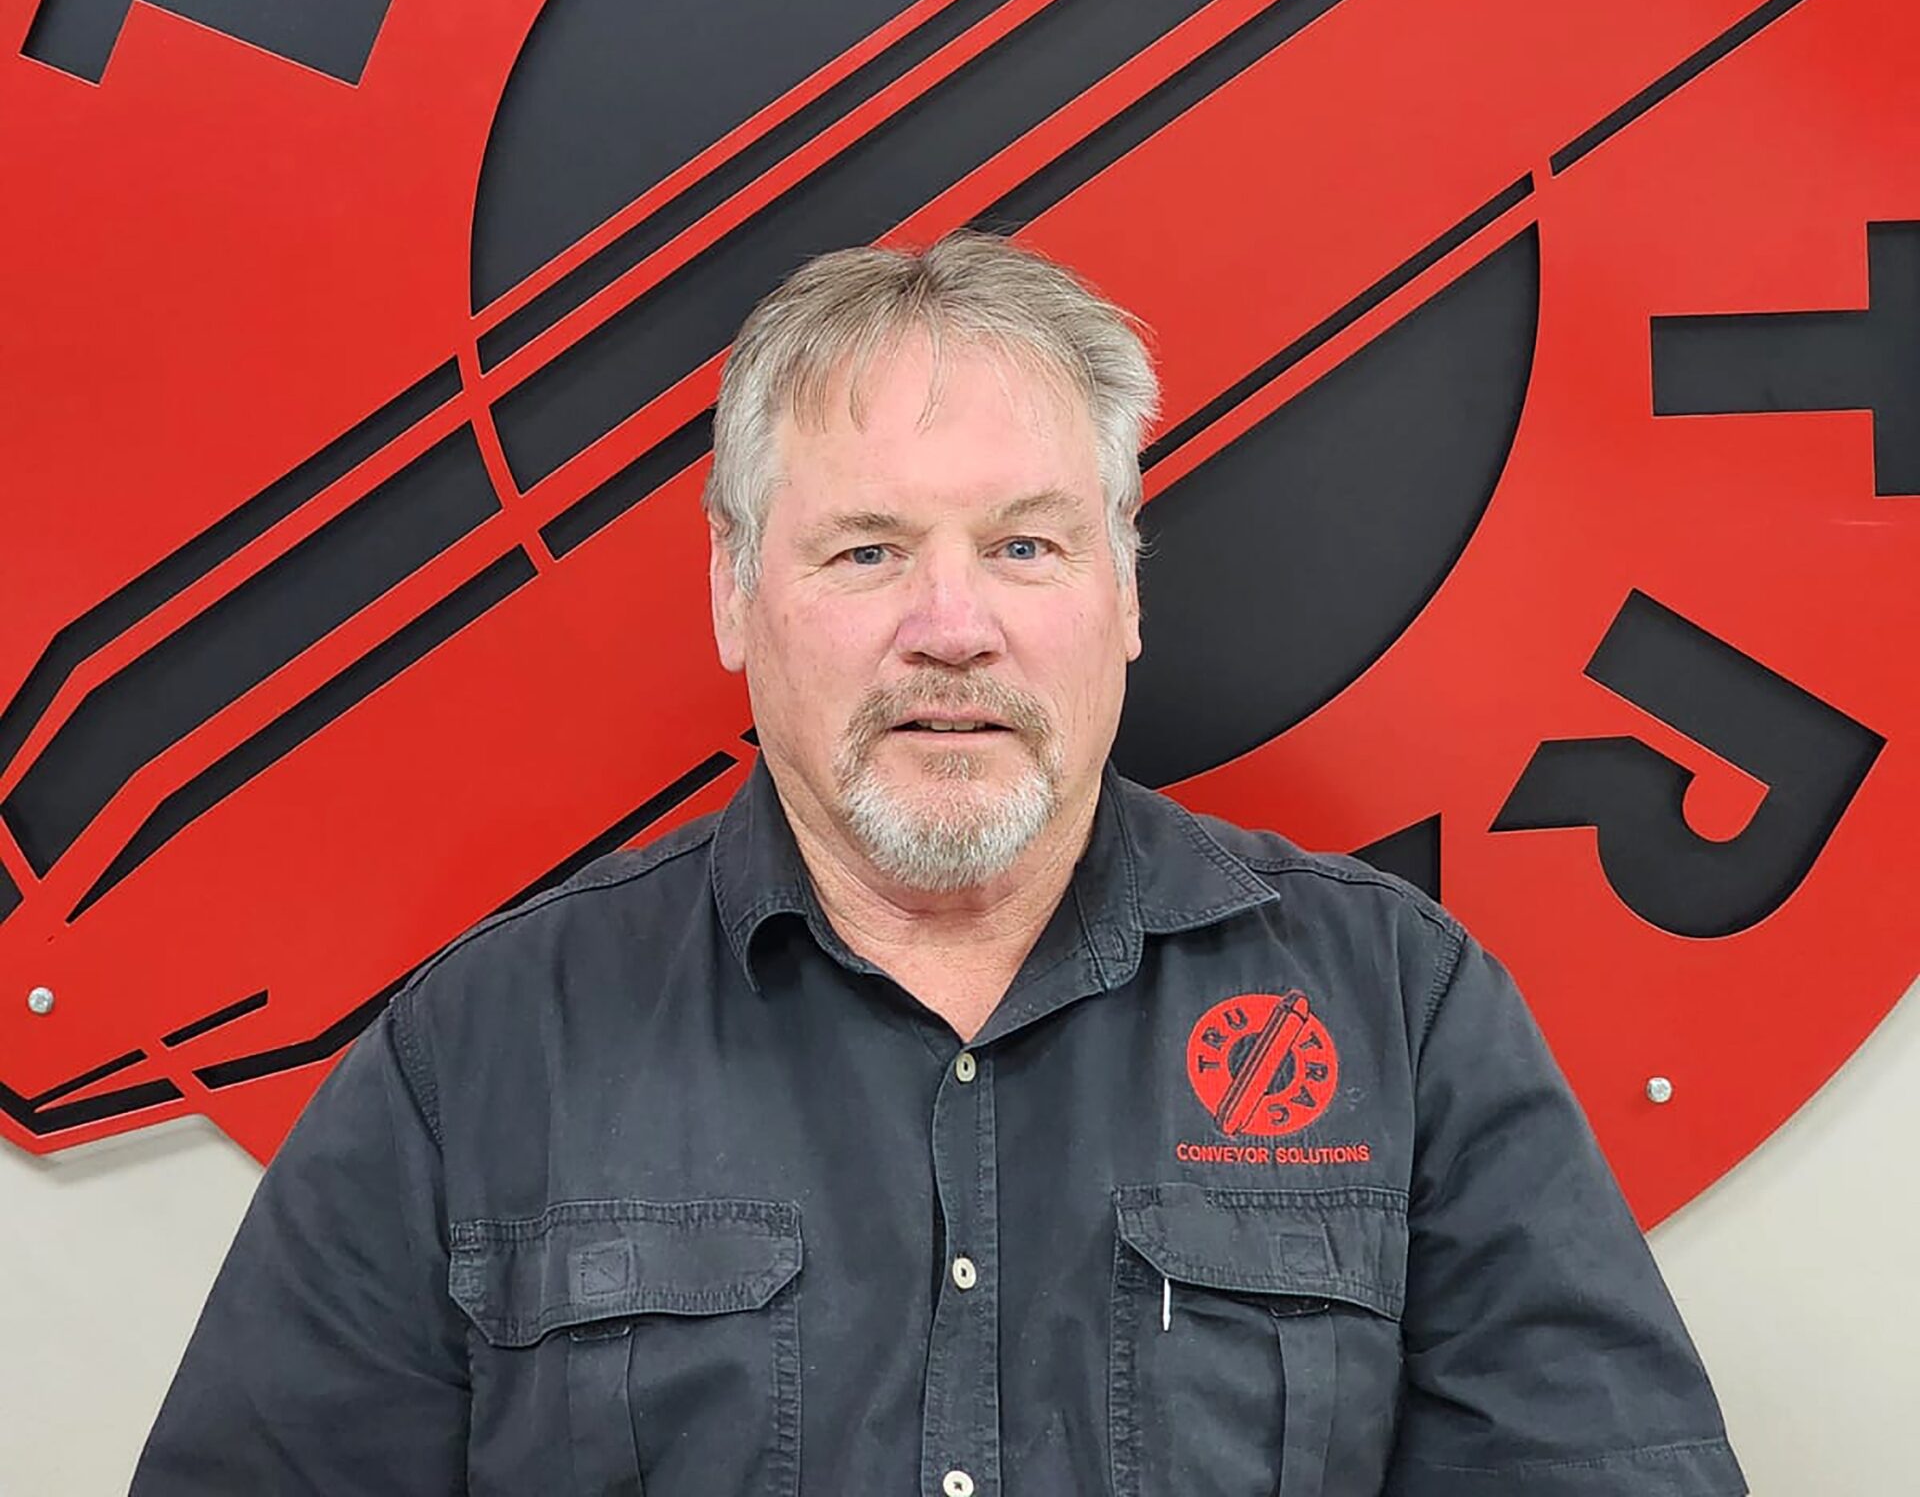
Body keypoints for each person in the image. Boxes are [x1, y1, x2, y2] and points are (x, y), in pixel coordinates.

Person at [132, 232, 1745, 1495]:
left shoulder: (1402, 1011)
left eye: (1026, 546)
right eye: (868, 550)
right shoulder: (478, 1058)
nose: (951, 627)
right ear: (733, 595)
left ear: (1123, 592)